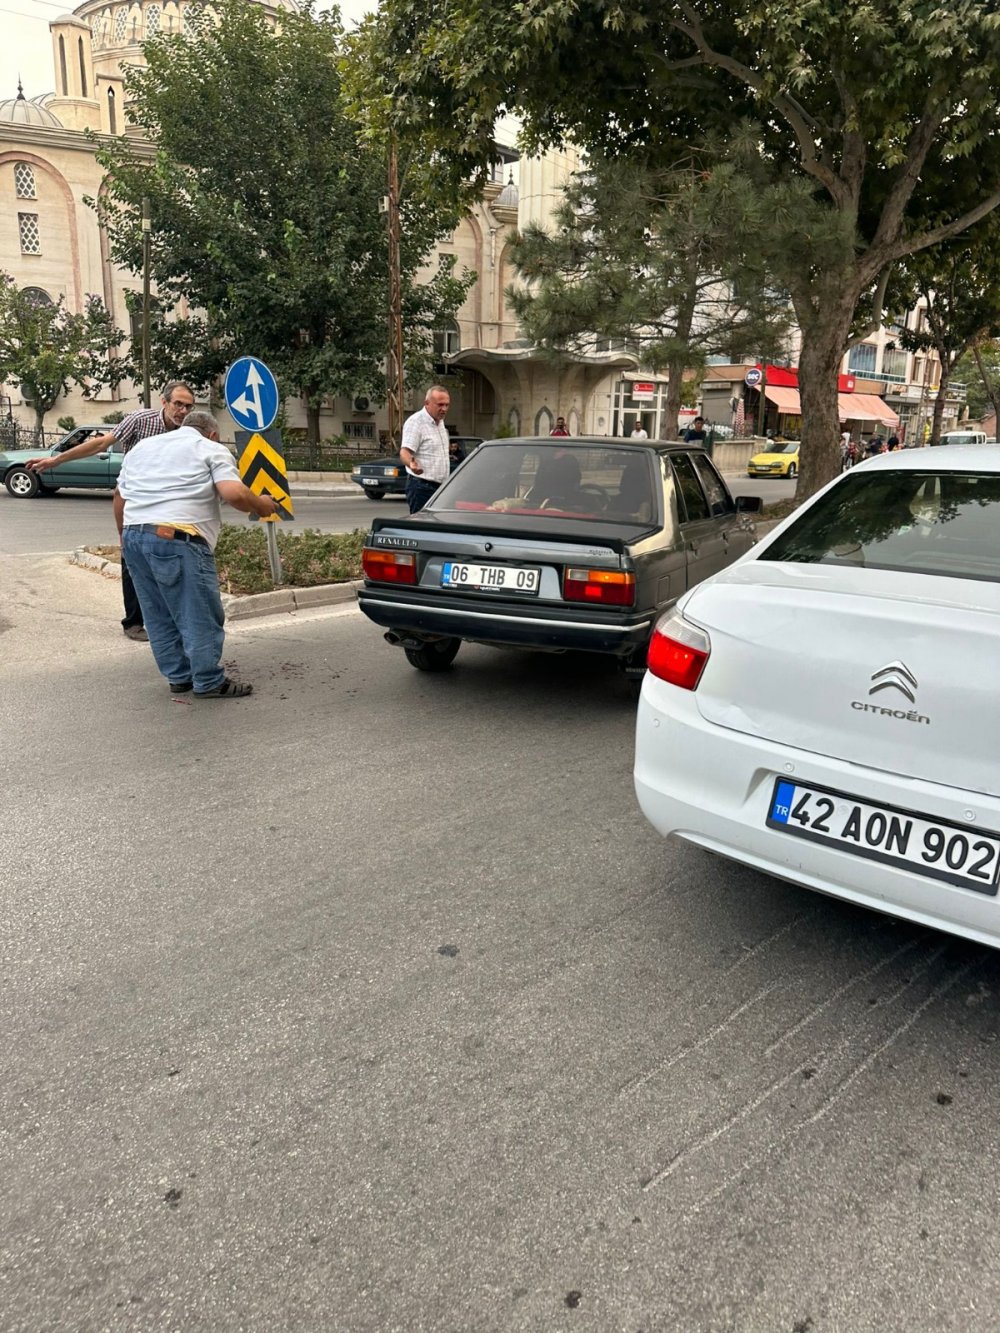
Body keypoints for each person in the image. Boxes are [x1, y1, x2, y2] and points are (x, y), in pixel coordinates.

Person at [113, 410, 281, 698]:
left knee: (157, 614)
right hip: (177, 538)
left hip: (134, 536)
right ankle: (208, 681)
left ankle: (179, 677)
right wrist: (262, 506)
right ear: (213, 433)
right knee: (199, 611)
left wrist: (126, 541)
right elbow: (234, 494)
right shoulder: (210, 448)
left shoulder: (142, 448)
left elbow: (119, 498)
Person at [28, 381, 197, 642]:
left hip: (167, 501)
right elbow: (101, 443)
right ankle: (133, 621)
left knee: (170, 557)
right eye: (178, 404)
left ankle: (171, 619)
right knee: (132, 559)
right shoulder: (141, 420)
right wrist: (56, 459)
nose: (183, 411)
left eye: (188, 406)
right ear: (164, 402)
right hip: (134, 498)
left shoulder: (189, 430)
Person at [400, 385, 451, 512]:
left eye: (446, 405)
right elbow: (404, 451)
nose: (444, 409)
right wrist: (411, 463)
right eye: (440, 405)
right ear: (427, 403)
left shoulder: (440, 422)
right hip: (421, 487)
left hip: (441, 488)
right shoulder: (416, 422)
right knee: (422, 527)